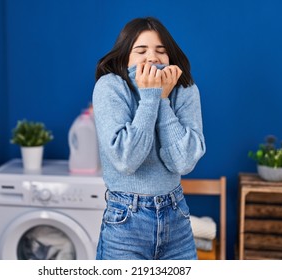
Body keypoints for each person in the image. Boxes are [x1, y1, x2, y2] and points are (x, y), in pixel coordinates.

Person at [92, 17, 206, 260]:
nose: (152, 57)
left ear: (170, 57)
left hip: (177, 220)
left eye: (161, 51)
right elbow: (126, 160)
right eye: (141, 50)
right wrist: (151, 97)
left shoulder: (185, 89)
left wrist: (163, 99)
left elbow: (184, 162)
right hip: (125, 222)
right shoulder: (110, 87)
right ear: (125, 58)